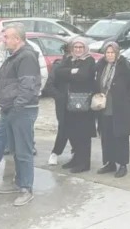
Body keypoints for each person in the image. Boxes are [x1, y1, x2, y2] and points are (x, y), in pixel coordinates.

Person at [0, 22, 42, 206]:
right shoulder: (14, 56)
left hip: (22, 111)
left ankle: (26, 188)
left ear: (17, 39)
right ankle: (19, 183)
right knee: (15, 150)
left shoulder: (26, 56)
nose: (3, 40)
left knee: (24, 151)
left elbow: (27, 86)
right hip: (11, 110)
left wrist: (16, 108)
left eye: (6, 37)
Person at [96, 42, 130, 178]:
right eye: (107, 53)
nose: (109, 55)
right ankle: (110, 162)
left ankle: (122, 164)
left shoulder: (125, 66)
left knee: (120, 136)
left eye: (112, 53)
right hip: (104, 106)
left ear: (117, 53)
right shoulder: (102, 65)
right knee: (107, 135)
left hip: (120, 108)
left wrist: (128, 100)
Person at [55, 37, 98, 173]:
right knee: (72, 131)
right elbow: (58, 73)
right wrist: (73, 72)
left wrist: (70, 73)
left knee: (83, 133)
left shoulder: (89, 60)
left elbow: (83, 76)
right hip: (70, 101)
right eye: (76, 47)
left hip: (84, 101)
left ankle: (84, 162)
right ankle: (76, 158)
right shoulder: (70, 60)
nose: (78, 50)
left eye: (80, 47)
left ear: (85, 48)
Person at [44, 43, 73, 166]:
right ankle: (55, 153)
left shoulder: (81, 64)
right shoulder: (58, 66)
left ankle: (76, 152)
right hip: (63, 103)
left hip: (79, 102)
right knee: (64, 128)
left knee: (78, 128)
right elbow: (49, 86)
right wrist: (60, 97)